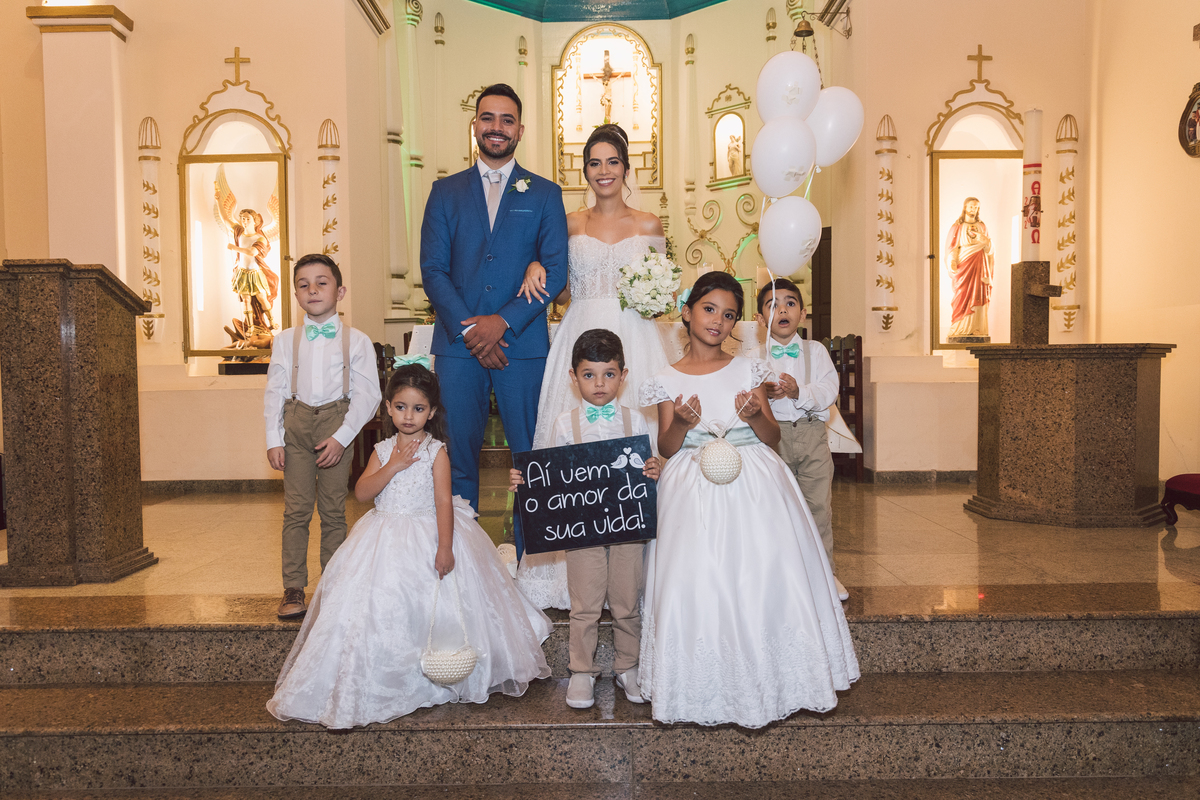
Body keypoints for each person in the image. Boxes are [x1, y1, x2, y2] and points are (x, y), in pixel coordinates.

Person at [268, 364, 553, 728]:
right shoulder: (382, 449)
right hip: (381, 537)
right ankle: (390, 673)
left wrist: (445, 547)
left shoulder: (437, 452)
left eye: (418, 409)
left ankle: (441, 669)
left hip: (428, 533)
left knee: (433, 604)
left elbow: (444, 502)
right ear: (388, 407)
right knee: (378, 606)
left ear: (432, 412)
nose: (408, 415)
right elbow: (362, 492)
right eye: (401, 407)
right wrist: (393, 467)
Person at [638, 271, 859, 728]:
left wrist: (757, 413)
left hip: (754, 476)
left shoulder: (749, 368)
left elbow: (773, 437)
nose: (718, 321)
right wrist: (680, 421)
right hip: (692, 482)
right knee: (697, 576)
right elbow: (666, 446)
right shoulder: (665, 377)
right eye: (709, 309)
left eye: (730, 315)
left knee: (760, 570)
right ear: (687, 312)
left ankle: (777, 673)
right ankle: (699, 682)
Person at [512, 123, 669, 610]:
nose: (604, 171)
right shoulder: (569, 223)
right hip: (580, 332)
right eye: (595, 163)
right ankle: (568, 573)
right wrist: (533, 268)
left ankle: (635, 570)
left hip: (635, 341)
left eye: (613, 162)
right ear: (585, 171)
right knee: (572, 448)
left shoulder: (649, 225)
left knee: (636, 451)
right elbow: (558, 288)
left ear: (627, 168)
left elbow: (661, 289)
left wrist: (652, 295)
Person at [420, 83, 569, 560]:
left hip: (521, 347)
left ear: (520, 129)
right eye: (488, 118)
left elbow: (557, 268)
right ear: (475, 125)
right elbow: (433, 270)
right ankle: (464, 565)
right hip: (458, 348)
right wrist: (470, 329)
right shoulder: (444, 192)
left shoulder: (544, 193)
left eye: (507, 120)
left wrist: (501, 323)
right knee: (457, 458)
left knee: (529, 459)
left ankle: (531, 563)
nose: (497, 128)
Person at [509, 329, 661, 710]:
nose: (599, 383)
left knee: (627, 600)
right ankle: (582, 670)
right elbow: (551, 474)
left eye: (609, 374)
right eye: (589, 374)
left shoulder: (635, 421)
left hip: (627, 528)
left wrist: (654, 469)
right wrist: (527, 482)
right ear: (574, 377)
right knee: (585, 603)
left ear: (623, 375)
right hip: (583, 530)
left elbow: (646, 468)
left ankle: (628, 665)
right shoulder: (564, 423)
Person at [263, 254, 383, 619]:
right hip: (296, 426)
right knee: (296, 510)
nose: (312, 290)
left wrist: (342, 437)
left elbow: (369, 395)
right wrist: (273, 437)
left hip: (336, 424)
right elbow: (275, 389)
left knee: (333, 511)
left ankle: (333, 584)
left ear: (340, 290)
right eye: (303, 284)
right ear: (296, 295)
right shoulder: (285, 340)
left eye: (322, 282)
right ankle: (294, 587)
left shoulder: (357, 340)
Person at [755, 278, 848, 602]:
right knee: (775, 509)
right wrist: (761, 394)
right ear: (760, 319)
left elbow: (828, 389)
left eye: (790, 303)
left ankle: (825, 573)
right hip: (771, 439)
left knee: (817, 507)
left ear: (803, 313)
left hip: (810, 435)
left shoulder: (816, 351)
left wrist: (799, 391)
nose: (782, 309)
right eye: (772, 304)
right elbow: (742, 397)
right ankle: (779, 577)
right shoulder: (754, 357)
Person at [945, 196, 994, 338]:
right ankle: (959, 327)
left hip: (980, 264)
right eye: (971, 206)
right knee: (962, 293)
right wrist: (952, 261)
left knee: (979, 293)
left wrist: (986, 242)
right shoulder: (957, 227)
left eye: (976, 207)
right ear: (965, 207)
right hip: (964, 265)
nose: (974, 209)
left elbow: (990, 250)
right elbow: (952, 248)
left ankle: (977, 327)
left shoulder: (982, 226)